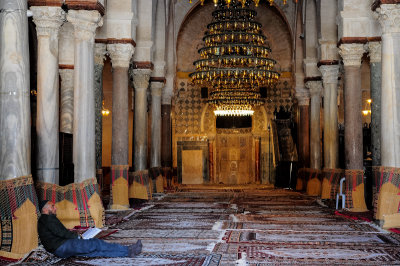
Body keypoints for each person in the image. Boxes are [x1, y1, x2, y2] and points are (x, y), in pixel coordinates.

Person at [37, 200, 142, 258]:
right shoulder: (47, 218)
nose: (55, 208)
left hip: (59, 250)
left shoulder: (45, 220)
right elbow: (61, 233)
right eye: (52, 206)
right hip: (62, 246)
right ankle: (128, 249)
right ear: (45, 209)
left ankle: (128, 253)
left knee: (96, 252)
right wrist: (78, 236)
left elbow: (59, 232)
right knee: (96, 243)